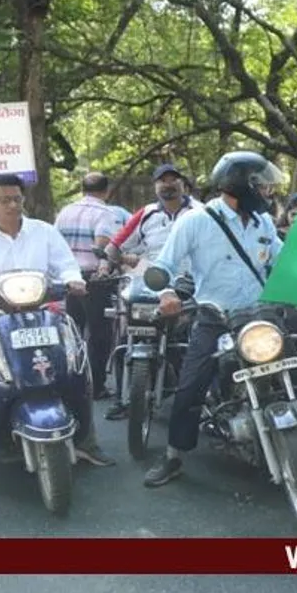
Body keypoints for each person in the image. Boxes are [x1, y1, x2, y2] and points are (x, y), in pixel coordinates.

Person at [0, 175, 114, 489]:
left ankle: (87, 442)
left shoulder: (44, 232)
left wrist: (74, 280)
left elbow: (65, 264)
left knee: (74, 373)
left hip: (41, 315)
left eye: (17, 199)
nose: (13, 205)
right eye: (5, 200)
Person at [141, 151, 292, 487]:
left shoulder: (263, 223)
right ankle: (174, 455)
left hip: (260, 316)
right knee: (191, 385)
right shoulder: (195, 221)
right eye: (262, 184)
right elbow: (163, 267)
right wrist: (166, 295)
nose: (268, 191)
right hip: (215, 317)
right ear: (242, 183)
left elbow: (283, 263)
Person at [100, 164, 199, 420]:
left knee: (197, 340)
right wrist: (106, 263)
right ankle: (123, 398)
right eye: (162, 181)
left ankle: (202, 399)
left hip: (189, 283)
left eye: (173, 180)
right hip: (149, 281)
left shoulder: (201, 213)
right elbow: (116, 244)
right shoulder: (145, 214)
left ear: (183, 184)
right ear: (155, 186)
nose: (168, 185)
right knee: (127, 332)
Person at [54, 172, 127, 400]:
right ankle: (96, 386)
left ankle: (71, 381)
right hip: (93, 280)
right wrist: (106, 268)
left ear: (82, 188)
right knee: (100, 335)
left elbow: (56, 244)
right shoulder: (106, 213)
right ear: (106, 190)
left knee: (72, 332)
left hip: (68, 279)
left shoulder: (65, 212)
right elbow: (103, 247)